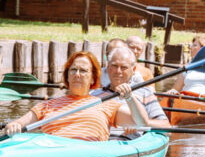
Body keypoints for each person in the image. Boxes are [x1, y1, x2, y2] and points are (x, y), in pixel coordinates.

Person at [3, 51, 150, 140]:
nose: (77, 75)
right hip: (51, 152)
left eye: (83, 71)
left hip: (85, 155)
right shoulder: (47, 105)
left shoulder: (105, 104)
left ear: (93, 78)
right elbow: (17, 124)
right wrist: (14, 126)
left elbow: (140, 123)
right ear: (67, 76)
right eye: (73, 70)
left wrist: (130, 98)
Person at [97, 46, 170, 131]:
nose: (118, 71)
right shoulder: (94, 95)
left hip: (130, 141)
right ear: (108, 67)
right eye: (114, 66)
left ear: (133, 70)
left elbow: (167, 127)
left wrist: (139, 123)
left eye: (124, 67)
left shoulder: (145, 93)